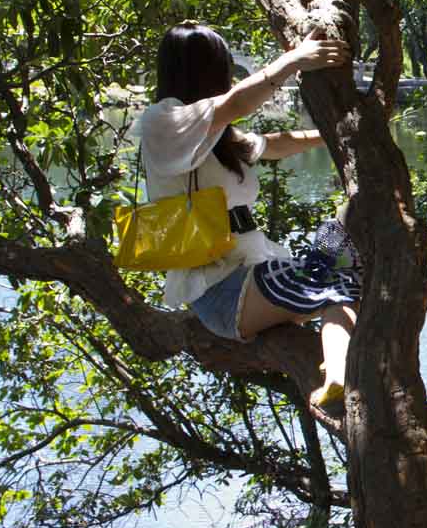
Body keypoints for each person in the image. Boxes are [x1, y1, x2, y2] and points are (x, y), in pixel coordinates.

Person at [139, 21, 358, 406]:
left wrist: (340, 134)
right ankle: (338, 376)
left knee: (347, 246)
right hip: (222, 290)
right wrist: (295, 60)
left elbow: (273, 145)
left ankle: (336, 378)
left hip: (251, 274)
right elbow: (238, 102)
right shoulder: (164, 123)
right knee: (337, 279)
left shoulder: (213, 134)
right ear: (204, 71)